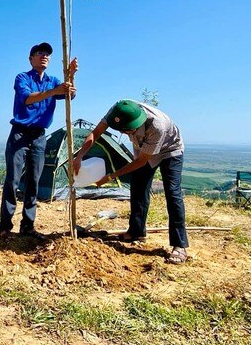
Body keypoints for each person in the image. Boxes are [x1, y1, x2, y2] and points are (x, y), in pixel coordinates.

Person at [72, 100, 189, 264]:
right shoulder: (118, 111)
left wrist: (110, 177)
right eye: (123, 131)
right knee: (138, 188)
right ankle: (136, 232)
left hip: (170, 150)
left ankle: (179, 245)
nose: (127, 135)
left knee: (172, 192)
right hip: (144, 148)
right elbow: (95, 133)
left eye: (129, 131)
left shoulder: (157, 126)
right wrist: (79, 157)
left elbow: (141, 162)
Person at [0, 42, 77, 240]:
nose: (44, 56)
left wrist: (71, 76)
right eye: (39, 53)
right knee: (13, 180)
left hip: (40, 135)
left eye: (47, 54)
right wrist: (54, 91)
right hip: (20, 133)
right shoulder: (22, 78)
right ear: (31, 58)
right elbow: (27, 99)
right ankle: (5, 227)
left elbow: (69, 95)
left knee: (34, 180)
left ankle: (27, 226)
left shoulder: (53, 80)